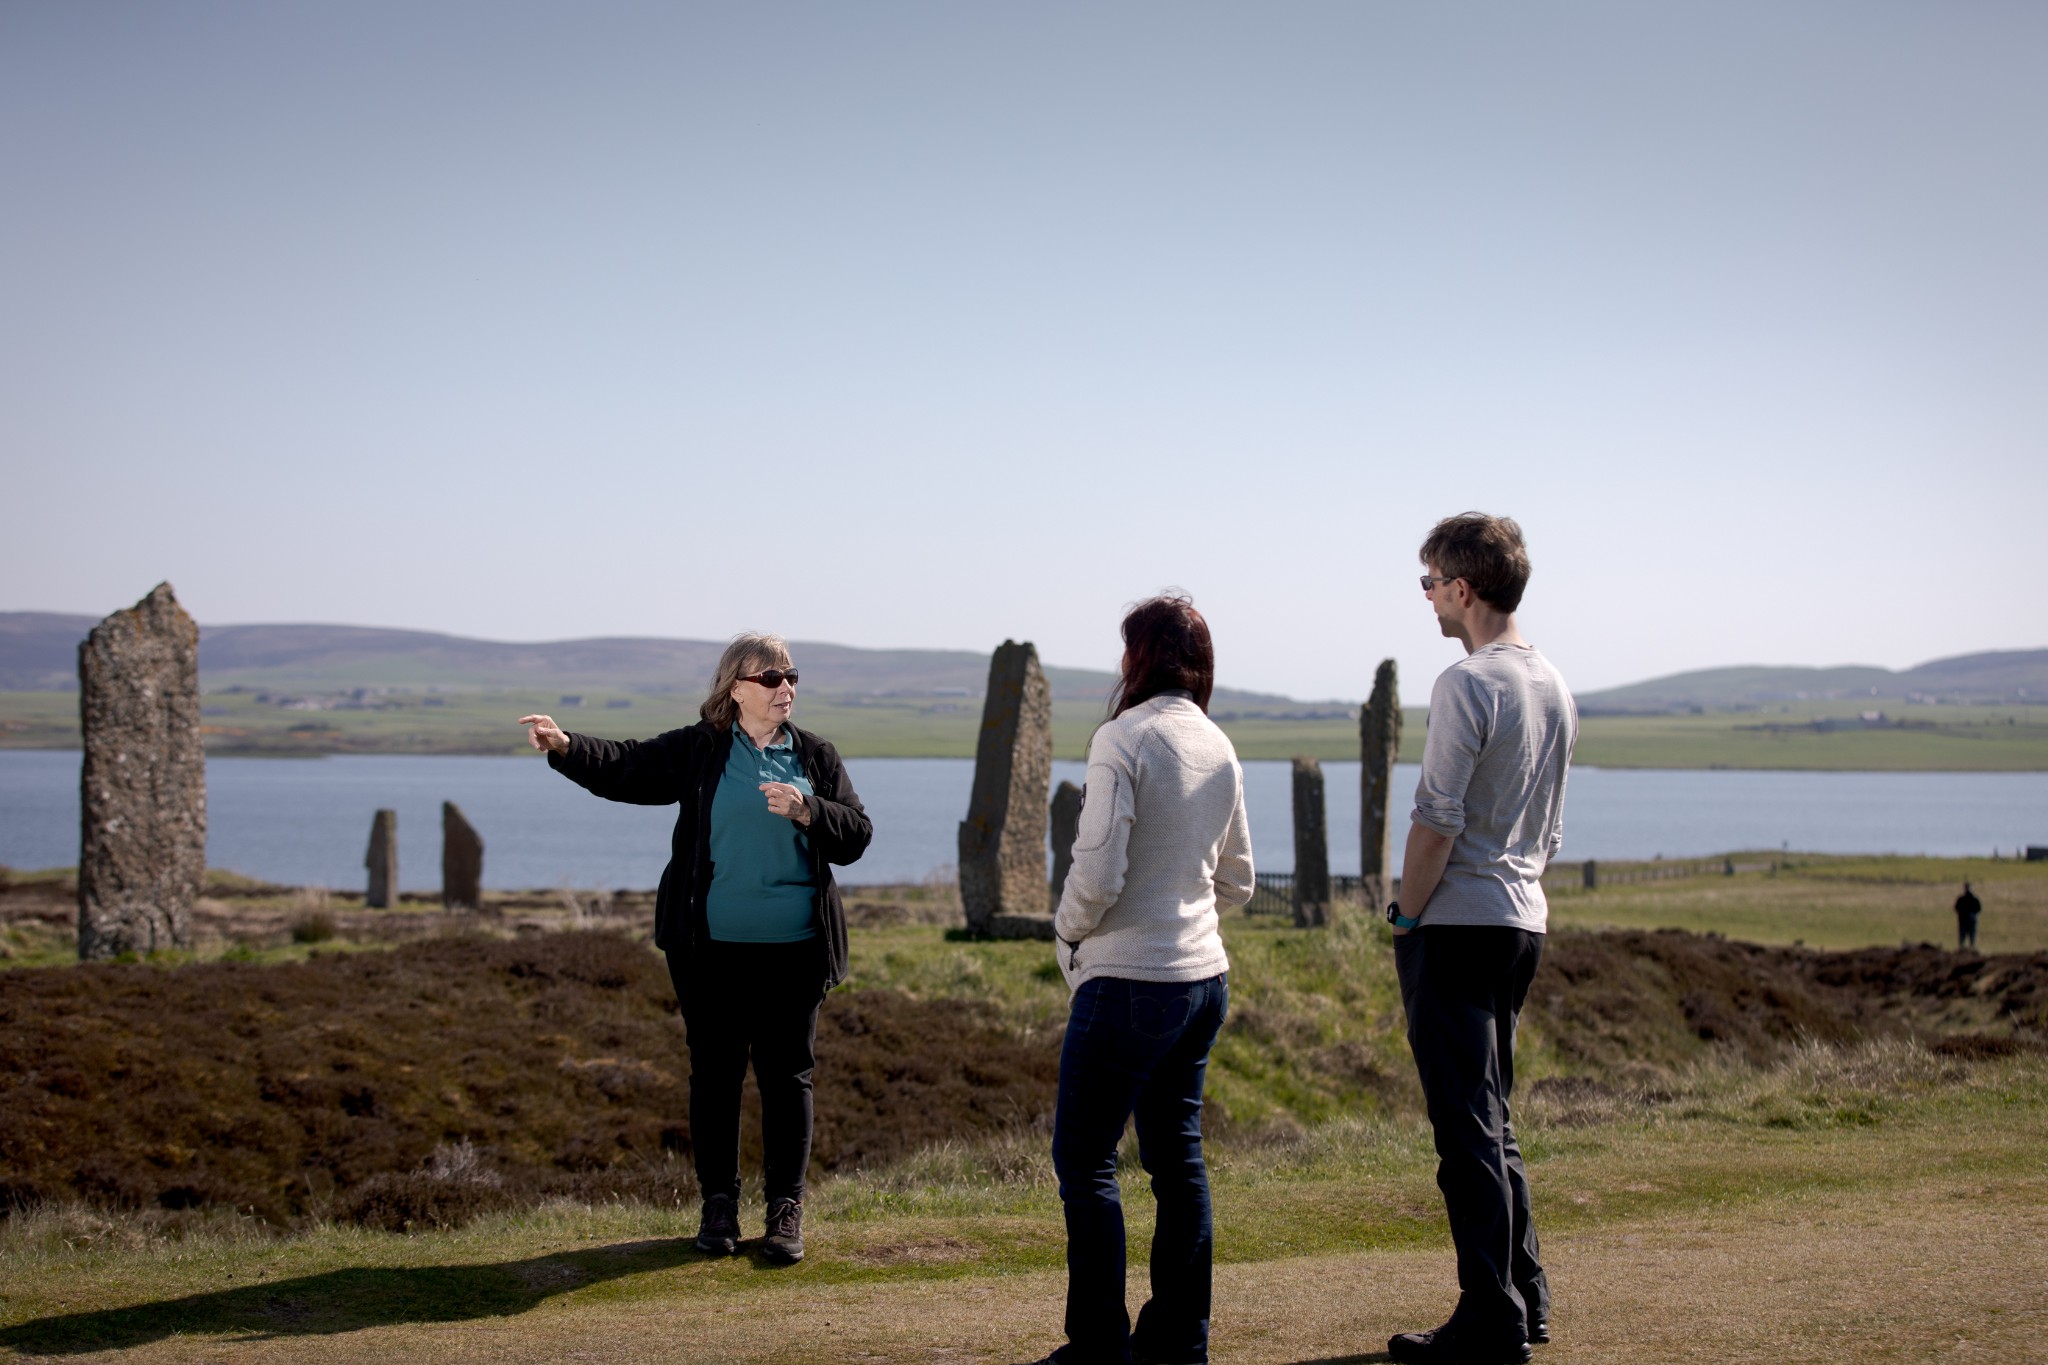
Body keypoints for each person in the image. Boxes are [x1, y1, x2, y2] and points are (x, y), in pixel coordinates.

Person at [519, 633, 871, 1265]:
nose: (784, 687)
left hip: (794, 951)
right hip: (708, 951)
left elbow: (857, 834)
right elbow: (627, 766)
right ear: (734, 686)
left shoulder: (815, 756)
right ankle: (719, 1207)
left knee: (788, 1079)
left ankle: (785, 1213)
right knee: (715, 1077)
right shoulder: (701, 749)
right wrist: (566, 746)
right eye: (770, 678)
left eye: (791, 676)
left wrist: (809, 810)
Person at [1024, 594, 1255, 1365]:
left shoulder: (1122, 737)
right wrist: (1187, 911)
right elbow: (1240, 881)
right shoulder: (1218, 744)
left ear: (1139, 657)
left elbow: (1096, 868)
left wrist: (1069, 930)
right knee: (1177, 1159)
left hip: (1128, 978)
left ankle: (1097, 1346)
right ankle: (1181, 1340)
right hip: (1203, 977)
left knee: (1086, 1160)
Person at [1381, 514, 1575, 1365]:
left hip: (1457, 920)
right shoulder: (1554, 685)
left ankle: (1488, 1315)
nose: (1425, 597)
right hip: (1522, 917)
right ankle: (1524, 1296)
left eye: (1429, 581)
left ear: (1463, 588)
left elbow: (1436, 816)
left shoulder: (1467, 683)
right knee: (1494, 1120)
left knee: (1464, 1127)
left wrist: (1405, 913)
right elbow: (1554, 830)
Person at [1955, 882, 1982, 951]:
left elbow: (1978, 909)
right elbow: (1956, 908)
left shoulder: (1973, 900)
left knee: (1971, 936)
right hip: (1965, 921)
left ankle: (1970, 948)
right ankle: (1963, 948)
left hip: (1969, 921)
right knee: (1964, 936)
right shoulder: (1962, 900)